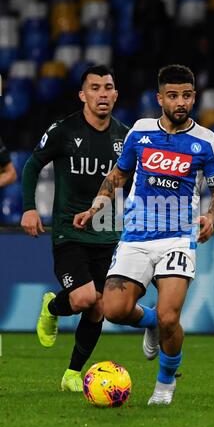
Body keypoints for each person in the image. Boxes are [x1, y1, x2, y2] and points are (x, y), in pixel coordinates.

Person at [73, 64, 214, 405]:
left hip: (178, 237)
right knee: (113, 309)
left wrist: (211, 217)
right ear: (160, 99)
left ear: (194, 97)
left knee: (170, 314)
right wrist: (94, 209)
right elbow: (117, 176)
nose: (180, 102)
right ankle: (151, 324)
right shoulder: (140, 133)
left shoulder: (205, 141)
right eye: (173, 96)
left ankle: (165, 384)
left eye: (186, 95)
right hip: (136, 237)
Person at [20, 65, 157, 392]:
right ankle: (53, 307)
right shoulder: (63, 131)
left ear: (116, 94)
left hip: (110, 234)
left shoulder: (126, 137)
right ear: (83, 95)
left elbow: (142, 181)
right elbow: (31, 165)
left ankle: (72, 373)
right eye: (95, 88)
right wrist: (28, 207)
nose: (102, 94)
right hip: (71, 232)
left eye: (108, 87)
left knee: (99, 307)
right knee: (83, 298)